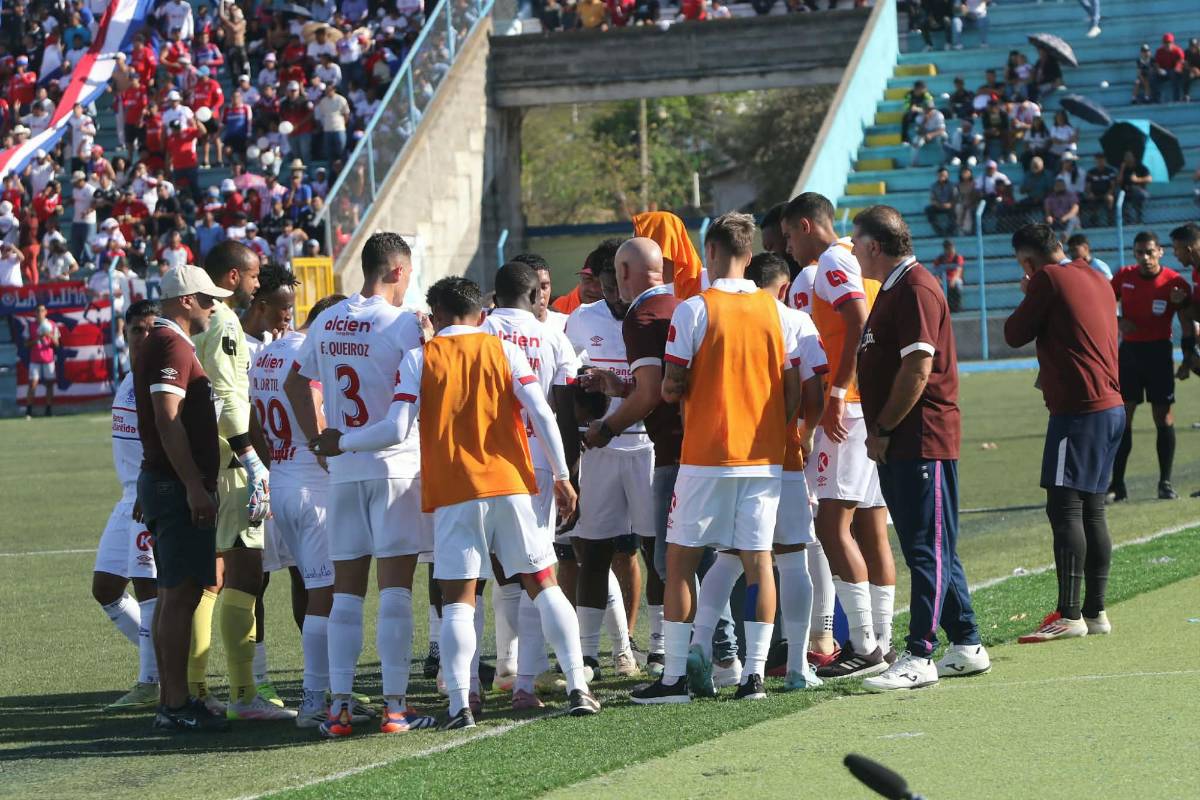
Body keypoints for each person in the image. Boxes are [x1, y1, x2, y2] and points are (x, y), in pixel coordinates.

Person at [312, 276, 601, 727]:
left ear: (438, 315)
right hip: (508, 484)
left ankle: (459, 705)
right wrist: (562, 475)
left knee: (459, 602)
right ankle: (578, 688)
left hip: (453, 492)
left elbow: (395, 428)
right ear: (479, 313)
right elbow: (541, 412)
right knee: (543, 584)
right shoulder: (503, 349)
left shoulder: (420, 357)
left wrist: (342, 441)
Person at [631, 213, 803, 704]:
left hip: (708, 453)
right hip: (763, 456)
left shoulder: (693, 309)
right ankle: (753, 678)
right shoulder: (776, 312)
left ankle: (675, 679)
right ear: (750, 257)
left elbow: (672, 382)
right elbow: (792, 386)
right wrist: (774, 425)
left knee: (680, 561)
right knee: (758, 563)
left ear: (709, 252)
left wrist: (675, 391)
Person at [284, 232, 436, 737]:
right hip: (393, 465)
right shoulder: (403, 325)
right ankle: (395, 708)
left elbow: (294, 383)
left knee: (345, 597)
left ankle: (339, 709)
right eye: (409, 273)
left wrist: (320, 442)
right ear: (397, 270)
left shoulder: (326, 319)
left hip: (343, 471)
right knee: (394, 592)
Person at [851, 206, 989, 690]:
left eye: (856, 241)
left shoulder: (914, 287)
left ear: (873, 245)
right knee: (933, 545)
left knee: (925, 549)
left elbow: (917, 369)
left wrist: (884, 427)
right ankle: (967, 642)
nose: (851, 249)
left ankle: (920, 654)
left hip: (920, 438)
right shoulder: (894, 288)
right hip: (905, 441)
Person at [781, 193, 896, 677]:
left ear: (806, 226)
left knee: (831, 526)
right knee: (870, 526)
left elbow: (857, 320)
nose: (787, 246)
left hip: (845, 410)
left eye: (788, 235)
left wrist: (837, 391)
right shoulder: (854, 255)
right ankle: (882, 642)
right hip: (865, 407)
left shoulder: (831, 260)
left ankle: (865, 645)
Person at [1004, 223, 1123, 642]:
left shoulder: (1049, 279)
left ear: (1030, 261)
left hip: (1079, 411)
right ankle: (1095, 612)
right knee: (1092, 508)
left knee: (1064, 507)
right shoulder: (1095, 274)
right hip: (1110, 406)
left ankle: (1070, 614)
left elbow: (1013, 333)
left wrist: (1029, 289)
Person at [191, 241, 290, 721]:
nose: (257, 285)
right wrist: (252, 459)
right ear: (233, 277)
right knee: (244, 573)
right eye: (253, 277)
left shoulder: (202, 322)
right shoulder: (226, 321)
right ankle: (244, 694)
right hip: (231, 461)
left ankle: (195, 689)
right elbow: (229, 400)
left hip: (208, 459)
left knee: (209, 578)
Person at [480, 262, 582, 709]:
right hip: (538, 462)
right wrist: (566, 471)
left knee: (472, 580)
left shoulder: (479, 332)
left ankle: (471, 690)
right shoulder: (551, 336)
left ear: (495, 294)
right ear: (535, 295)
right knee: (539, 572)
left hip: (484, 464)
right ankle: (528, 680)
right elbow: (561, 408)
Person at [134, 265, 229, 733]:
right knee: (178, 594)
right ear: (186, 300)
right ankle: (173, 703)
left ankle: (176, 697)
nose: (214, 306)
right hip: (175, 485)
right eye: (208, 298)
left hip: (166, 481)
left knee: (179, 592)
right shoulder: (170, 342)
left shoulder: (166, 342)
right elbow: (167, 418)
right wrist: (192, 483)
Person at [584, 237, 682, 678]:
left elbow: (651, 393)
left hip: (662, 449)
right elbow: (663, 387)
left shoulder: (643, 315)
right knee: (730, 556)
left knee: (669, 557)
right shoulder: (684, 306)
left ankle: (681, 657)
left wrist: (606, 427)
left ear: (624, 274)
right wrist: (619, 389)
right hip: (702, 446)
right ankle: (732, 657)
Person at [249, 292, 346, 728]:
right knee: (325, 594)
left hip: (283, 479)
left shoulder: (267, 353)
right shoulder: (309, 352)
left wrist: (277, 460)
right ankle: (313, 701)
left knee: (313, 589)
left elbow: (252, 419)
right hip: (312, 485)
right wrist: (321, 447)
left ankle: (324, 692)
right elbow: (306, 391)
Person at [565, 239, 648, 681]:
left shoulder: (656, 314)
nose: (616, 290)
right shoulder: (581, 320)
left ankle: (658, 649)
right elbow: (568, 383)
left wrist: (618, 385)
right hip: (598, 447)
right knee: (593, 551)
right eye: (608, 281)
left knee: (654, 551)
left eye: (622, 279)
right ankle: (588, 656)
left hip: (647, 445)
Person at [745, 251, 829, 690]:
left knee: (727, 562)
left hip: (732, 457)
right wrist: (804, 430)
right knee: (794, 559)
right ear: (783, 286)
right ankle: (797, 666)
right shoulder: (795, 321)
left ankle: (733, 665)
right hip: (784, 456)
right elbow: (812, 388)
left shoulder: (718, 313)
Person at [93, 301, 160, 711]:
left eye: (153, 329)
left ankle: (151, 678)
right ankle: (170, 655)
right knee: (106, 589)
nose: (145, 337)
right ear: (125, 334)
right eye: (137, 330)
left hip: (149, 496)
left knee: (148, 588)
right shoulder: (127, 378)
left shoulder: (160, 378)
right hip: (129, 497)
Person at [1107, 232, 1192, 502]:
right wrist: (1119, 320)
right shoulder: (1124, 277)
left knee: (1163, 417)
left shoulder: (1174, 282)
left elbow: (1188, 319)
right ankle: (1117, 486)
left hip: (1159, 353)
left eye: (1149, 252)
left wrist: (1188, 360)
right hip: (1130, 353)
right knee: (1124, 418)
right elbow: (1103, 302)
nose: (1144, 258)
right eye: (1139, 253)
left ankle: (1164, 483)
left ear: (1160, 252)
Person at [24, 303, 58, 417]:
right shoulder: (31, 326)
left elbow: (57, 344)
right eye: (37, 311)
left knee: (49, 384)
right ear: (35, 313)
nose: (39, 313)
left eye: (42, 311)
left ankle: (48, 410)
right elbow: (26, 344)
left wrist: (49, 336)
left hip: (48, 359)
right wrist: (37, 339)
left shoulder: (52, 325)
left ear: (46, 312)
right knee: (33, 384)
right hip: (35, 358)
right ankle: (28, 411)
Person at [1083, 152, 1118, 227]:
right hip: (1095, 194)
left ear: (1105, 160)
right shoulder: (1091, 172)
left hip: (1107, 194)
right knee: (1089, 198)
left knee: (1110, 199)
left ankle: (1110, 221)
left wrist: (1108, 193)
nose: (1100, 162)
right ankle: (1094, 222)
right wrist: (1090, 193)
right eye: (1098, 160)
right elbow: (1088, 186)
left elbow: (1113, 186)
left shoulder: (1110, 171)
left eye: (1102, 160)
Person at [1118, 151, 1152, 224]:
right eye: (1126, 157)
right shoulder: (1123, 168)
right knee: (1121, 198)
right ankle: (1127, 221)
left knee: (1136, 192)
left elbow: (1149, 179)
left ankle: (1139, 219)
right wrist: (1122, 169)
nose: (1128, 159)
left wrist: (1137, 179)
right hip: (1126, 192)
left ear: (1133, 158)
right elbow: (1118, 182)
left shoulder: (1141, 167)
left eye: (1129, 157)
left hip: (1140, 192)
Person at [932, 239, 964, 312]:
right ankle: (942, 309)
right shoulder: (940, 258)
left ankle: (957, 307)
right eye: (948, 248)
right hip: (943, 279)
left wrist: (953, 280)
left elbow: (958, 271)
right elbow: (935, 271)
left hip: (955, 279)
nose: (950, 250)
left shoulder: (957, 257)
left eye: (951, 247)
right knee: (936, 287)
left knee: (958, 285)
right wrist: (938, 279)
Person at [1153, 33, 1186, 103]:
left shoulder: (1178, 50)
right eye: (1165, 42)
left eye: (1169, 42)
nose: (1167, 44)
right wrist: (1158, 69)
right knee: (1153, 76)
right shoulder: (1159, 51)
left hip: (1174, 71)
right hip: (1163, 71)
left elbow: (1181, 61)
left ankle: (1176, 99)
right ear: (1163, 43)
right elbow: (1156, 63)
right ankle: (1156, 99)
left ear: (1172, 42)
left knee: (1174, 75)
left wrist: (1177, 68)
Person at [925, 167, 958, 237]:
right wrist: (937, 204)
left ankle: (950, 231)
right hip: (938, 206)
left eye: (944, 175)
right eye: (940, 175)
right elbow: (932, 199)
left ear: (947, 175)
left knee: (955, 211)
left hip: (949, 206)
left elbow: (955, 198)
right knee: (928, 210)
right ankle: (939, 230)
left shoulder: (952, 185)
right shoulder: (934, 186)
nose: (942, 177)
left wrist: (950, 204)